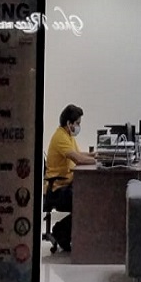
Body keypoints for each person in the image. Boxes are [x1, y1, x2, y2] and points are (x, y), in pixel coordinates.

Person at [44, 104, 96, 252]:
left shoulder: (68, 136)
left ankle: (63, 232)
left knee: (91, 196)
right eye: (77, 123)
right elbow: (77, 159)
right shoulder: (60, 137)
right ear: (69, 123)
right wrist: (98, 162)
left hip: (67, 185)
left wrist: (95, 155)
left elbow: (78, 154)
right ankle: (60, 231)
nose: (79, 127)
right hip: (57, 189)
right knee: (87, 201)